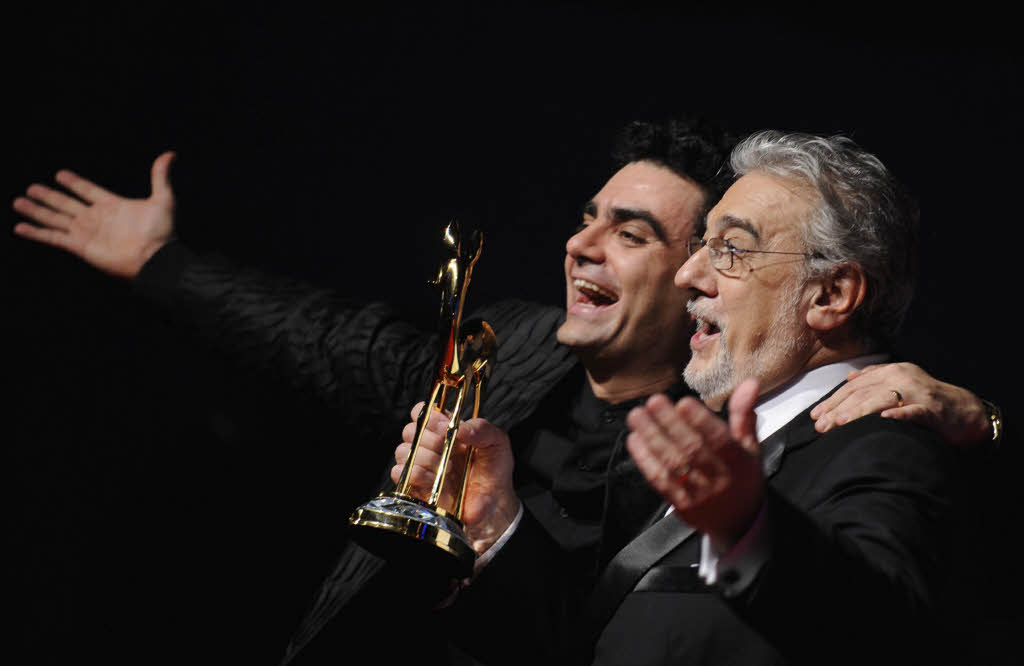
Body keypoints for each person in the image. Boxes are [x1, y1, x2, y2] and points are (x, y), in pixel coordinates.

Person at [11, 121, 998, 664]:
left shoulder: (765, 440)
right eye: (587, 217)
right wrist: (162, 266)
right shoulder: (512, 349)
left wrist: (982, 419)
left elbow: (885, 618)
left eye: (641, 235)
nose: (582, 243)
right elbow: (328, 339)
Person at [401, 131, 968, 664]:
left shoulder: (891, 445)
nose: (688, 275)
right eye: (702, 245)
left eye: (731, 250)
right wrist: (495, 528)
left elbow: (885, 634)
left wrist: (750, 530)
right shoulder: (719, 440)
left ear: (832, 294)